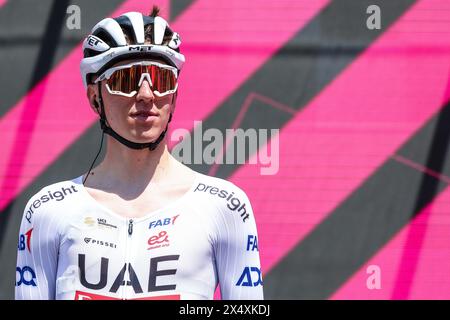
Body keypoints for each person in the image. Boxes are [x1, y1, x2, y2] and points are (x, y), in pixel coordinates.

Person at [15, 6, 263, 300]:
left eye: (161, 79)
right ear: (96, 97)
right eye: (126, 79)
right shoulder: (47, 211)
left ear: (174, 92)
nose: (146, 94)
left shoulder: (224, 206)